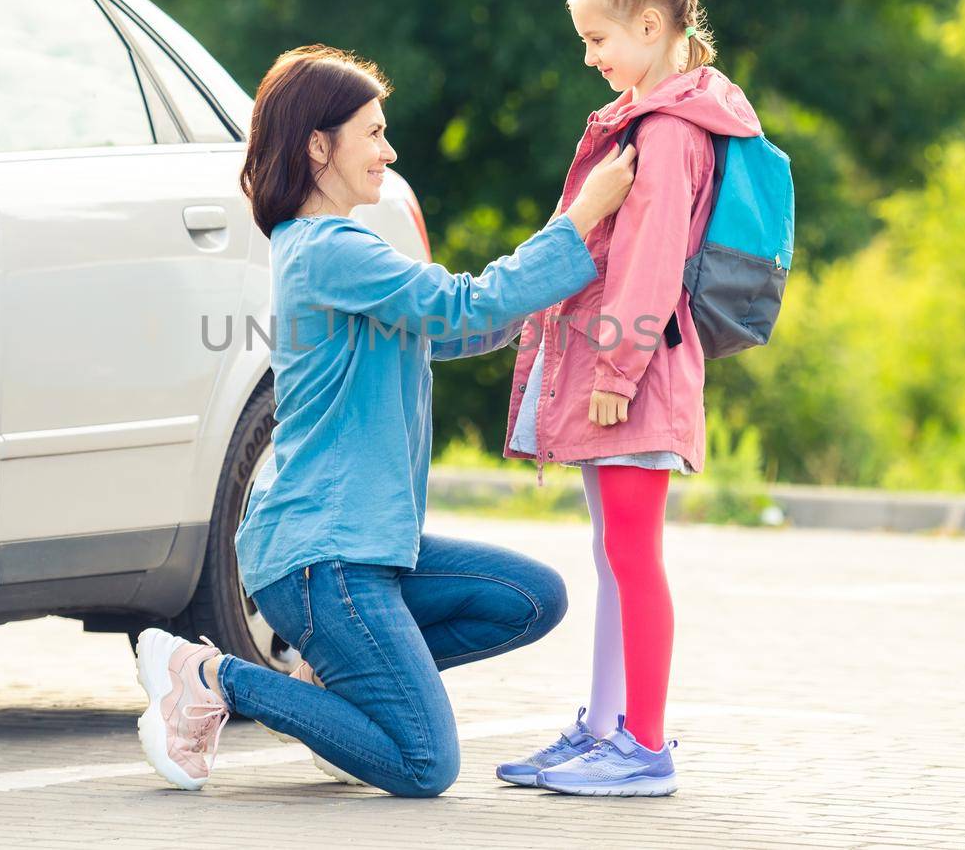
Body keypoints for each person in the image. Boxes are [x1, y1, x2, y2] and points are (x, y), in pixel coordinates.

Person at [132, 44, 640, 796]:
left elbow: (465, 327)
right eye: (372, 132)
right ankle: (208, 673)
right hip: (322, 559)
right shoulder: (327, 249)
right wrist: (580, 216)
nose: (388, 150)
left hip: (367, 548)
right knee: (423, 762)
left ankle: (335, 682)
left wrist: (567, 272)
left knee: (531, 597)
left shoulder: (339, 251)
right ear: (317, 146)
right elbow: (466, 303)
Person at [495, 0, 765, 797]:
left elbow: (648, 263)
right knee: (616, 554)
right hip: (627, 374)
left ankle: (642, 746)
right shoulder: (653, 118)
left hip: (636, 379)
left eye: (597, 38)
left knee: (633, 556)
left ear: (651, 27)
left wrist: (614, 375)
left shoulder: (672, 130)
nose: (590, 57)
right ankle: (605, 728)